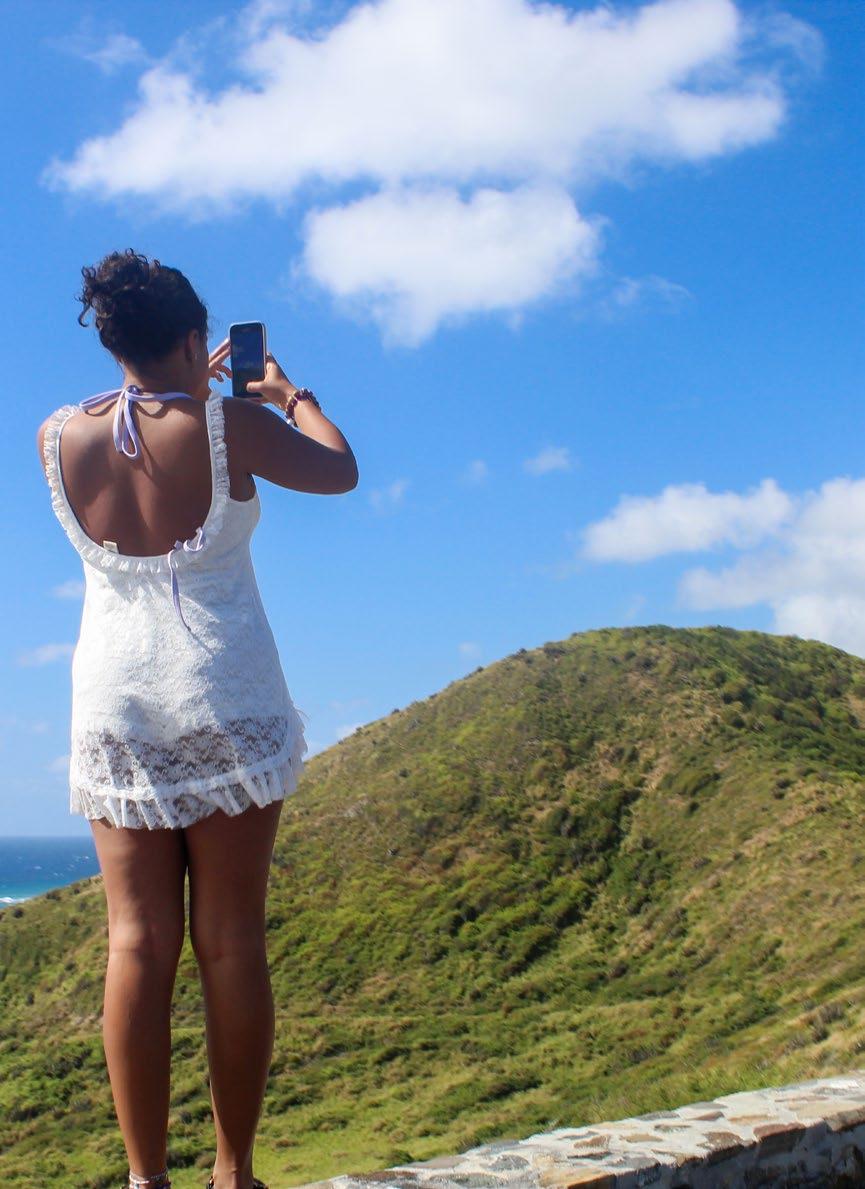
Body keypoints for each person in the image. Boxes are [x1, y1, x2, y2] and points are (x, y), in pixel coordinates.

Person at [36, 249, 359, 1189]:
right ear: (192, 339)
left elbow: (139, 431)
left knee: (136, 942)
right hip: (225, 694)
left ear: (113, 342)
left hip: (116, 701)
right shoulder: (234, 425)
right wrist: (287, 395)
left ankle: (146, 1179)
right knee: (230, 939)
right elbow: (339, 470)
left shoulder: (58, 435)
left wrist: (180, 387)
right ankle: (232, 1173)